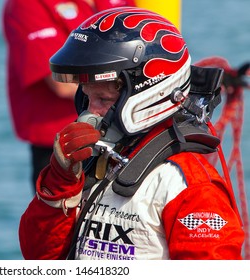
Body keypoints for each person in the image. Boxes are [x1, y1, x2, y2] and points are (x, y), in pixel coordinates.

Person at [18, 7, 245, 259]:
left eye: (103, 99)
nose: (91, 113)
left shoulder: (189, 186)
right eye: (87, 97)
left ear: (150, 93)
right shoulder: (91, 162)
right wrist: (60, 183)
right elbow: (39, 258)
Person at [2, 0, 136, 192]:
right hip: (62, 147)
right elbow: (61, 84)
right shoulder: (27, 4)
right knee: (61, 217)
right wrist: (136, 90)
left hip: (125, 133)